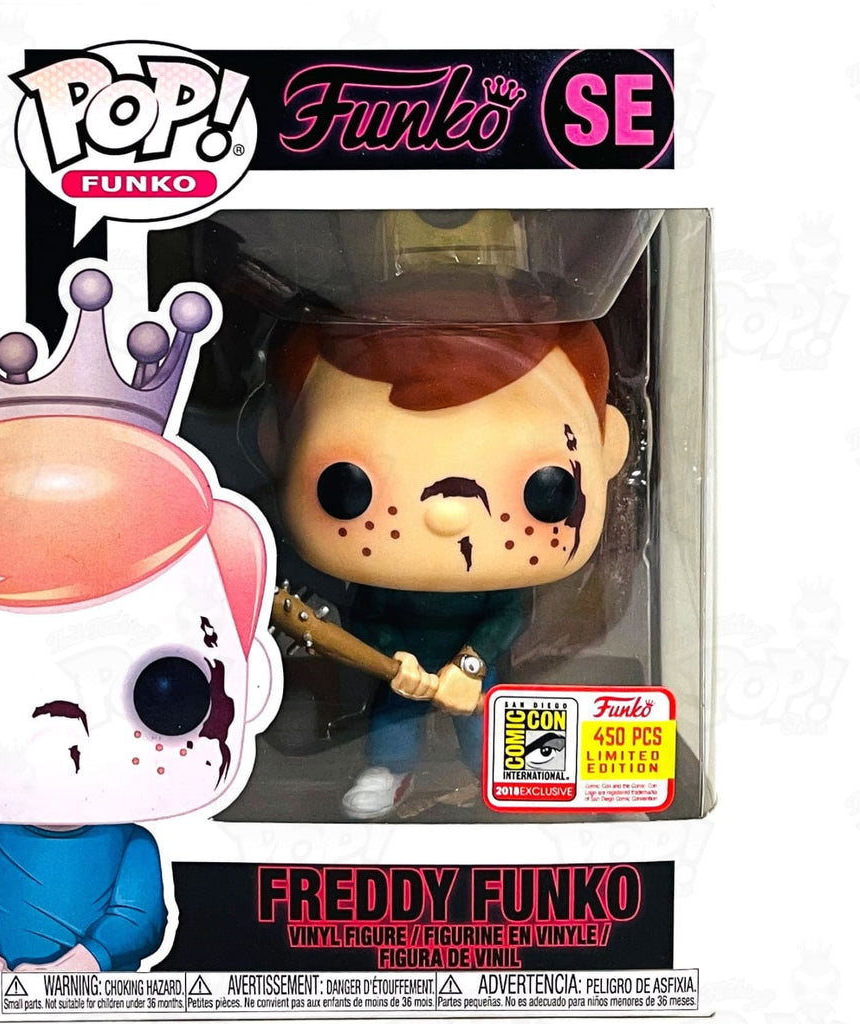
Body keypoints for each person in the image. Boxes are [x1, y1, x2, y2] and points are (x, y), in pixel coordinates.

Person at [261, 310, 630, 818]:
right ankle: (391, 769)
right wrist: (395, 660)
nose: (447, 516)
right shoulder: (384, 577)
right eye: (349, 487)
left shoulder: (498, 582)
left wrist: (470, 664)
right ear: (277, 446)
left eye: (544, 489)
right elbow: (366, 616)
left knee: (487, 727)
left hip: (476, 666)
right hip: (405, 662)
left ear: (608, 449)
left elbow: (509, 614)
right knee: (395, 718)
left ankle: (501, 776)